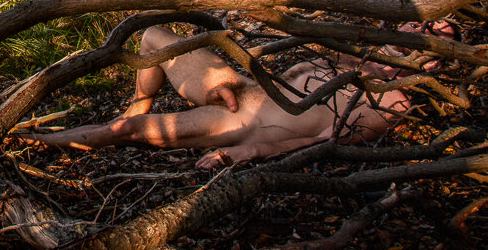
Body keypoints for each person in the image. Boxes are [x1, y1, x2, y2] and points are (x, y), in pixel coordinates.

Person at [23, 20, 459, 169]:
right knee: (153, 35)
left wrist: (251, 151)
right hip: (237, 87)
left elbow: (323, 140)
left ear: (434, 66)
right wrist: (225, 79)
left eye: (434, 36)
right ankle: (138, 100)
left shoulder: (391, 103)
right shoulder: (348, 55)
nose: (419, 31)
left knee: (123, 130)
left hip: (242, 122)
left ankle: (28, 141)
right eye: (419, 24)